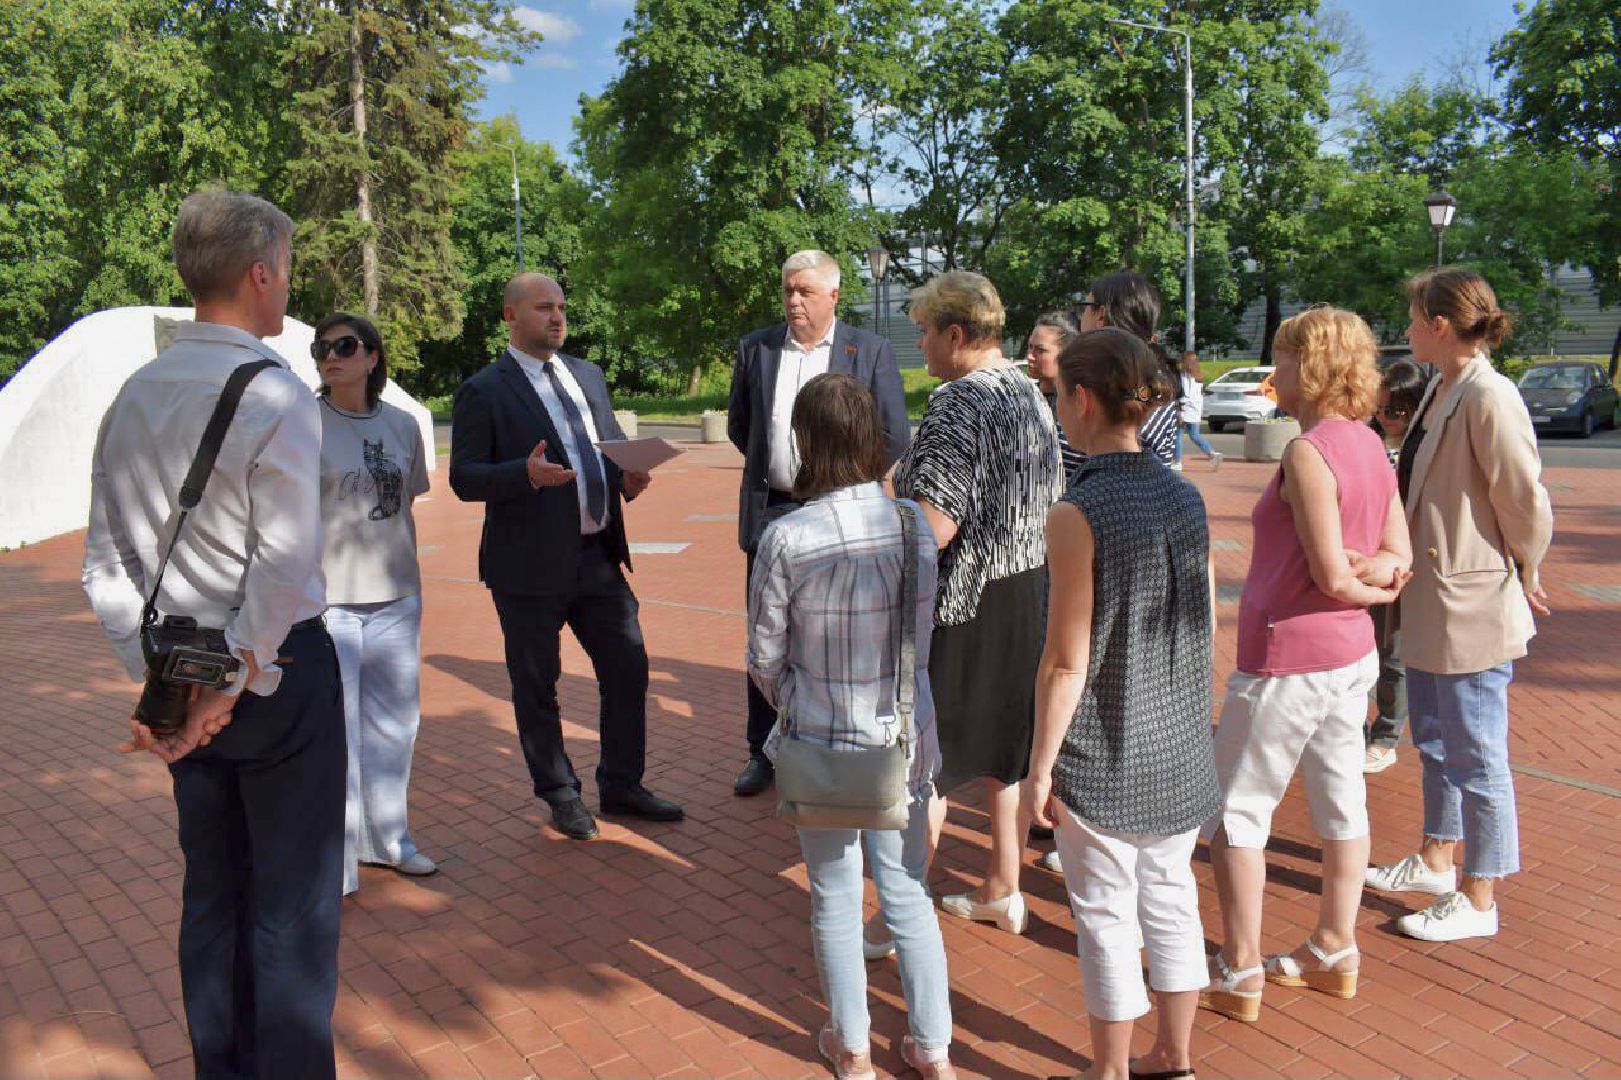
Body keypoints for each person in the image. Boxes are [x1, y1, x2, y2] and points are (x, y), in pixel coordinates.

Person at [82, 190, 344, 1078]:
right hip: (276, 675)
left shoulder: (134, 393)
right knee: (293, 910)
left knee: (214, 897)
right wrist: (230, 683)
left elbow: (105, 560)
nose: (288, 294)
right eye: (287, 275)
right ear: (260, 275)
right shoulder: (278, 395)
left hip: (179, 671)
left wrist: (166, 686)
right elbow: (281, 567)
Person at [1201, 307, 1412, 1024]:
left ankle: (1238, 966)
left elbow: (1327, 575)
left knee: (1236, 816)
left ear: (1311, 366)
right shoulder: (1368, 445)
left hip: (1288, 654)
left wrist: (1367, 581)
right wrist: (1382, 578)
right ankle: (1332, 946)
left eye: (1282, 358)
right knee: (1340, 803)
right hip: (1349, 655)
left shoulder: (1309, 450)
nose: (1274, 372)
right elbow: (1397, 555)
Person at [1022, 328, 1221, 1080]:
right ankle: (1173, 1058)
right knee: (1170, 900)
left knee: (1104, 917)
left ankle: (1107, 1070)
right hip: (1175, 742)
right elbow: (1198, 621)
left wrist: (1039, 767)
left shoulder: (1078, 512)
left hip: (1104, 751)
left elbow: (1065, 660)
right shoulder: (1185, 495)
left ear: (1080, 398)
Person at [748, 373, 957, 1080]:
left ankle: (853, 1049)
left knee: (834, 900)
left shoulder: (787, 537)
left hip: (821, 744)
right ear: (871, 439)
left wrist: (800, 703)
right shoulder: (915, 529)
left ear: (803, 441)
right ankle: (932, 1049)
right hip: (902, 740)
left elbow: (763, 657)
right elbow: (923, 638)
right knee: (907, 898)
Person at [448, 272, 682, 842]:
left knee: (628, 669)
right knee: (536, 683)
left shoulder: (586, 375)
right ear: (509, 315)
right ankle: (559, 794)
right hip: (527, 566)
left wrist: (624, 477)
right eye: (542, 308)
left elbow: (600, 446)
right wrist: (521, 474)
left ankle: (623, 784)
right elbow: (463, 478)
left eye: (560, 308)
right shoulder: (485, 389)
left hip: (598, 555)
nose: (556, 317)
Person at [1364, 269, 1552, 942]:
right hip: (1437, 595)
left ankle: (1479, 895)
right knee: (1438, 739)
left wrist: (1524, 567)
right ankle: (1437, 859)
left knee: (1476, 750)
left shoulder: (1488, 394)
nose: (1407, 328)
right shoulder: (1445, 386)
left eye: (1414, 317)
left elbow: (1522, 497)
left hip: (1469, 598)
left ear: (1440, 324)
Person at [890, 270, 1062, 938]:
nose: (920, 346)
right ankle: (1002, 886)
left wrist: (878, 522)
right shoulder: (1027, 390)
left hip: (967, 600)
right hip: (1027, 591)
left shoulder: (959, 401)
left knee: (926, 767)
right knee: (1006, 756)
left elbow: (932, 524)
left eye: (924, 332)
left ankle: (899, 916)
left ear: (955, 334)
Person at [728, 250, 910, 798]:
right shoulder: (756, 348)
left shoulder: (869, 350)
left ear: (833, 295)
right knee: (769, 629)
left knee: (841, 626)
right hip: (775, 510)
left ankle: (845, 738)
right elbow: (743, 428)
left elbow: (894, 432)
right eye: (787, 289)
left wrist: (847, 481)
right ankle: (765, 748)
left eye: (805, 291)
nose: (793, 300)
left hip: (843, 509)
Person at [312, 313, 435, 891]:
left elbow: (407, 496)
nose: (330, 356)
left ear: (372, 357)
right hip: (328, 604)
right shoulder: (303, 423)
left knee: (395, 726)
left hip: (396, 597)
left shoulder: (404, 425)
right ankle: (337, 862)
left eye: (343, 346)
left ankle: (390, 840)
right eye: (321, 348)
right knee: (335, 732)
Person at [1363, 359, 1429, 773]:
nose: (1386, 418)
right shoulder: (1367, 442)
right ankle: (1354, 729)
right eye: (1381, 409)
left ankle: (1386, 735)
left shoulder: (1421, 448)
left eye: (1397, 411)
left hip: (1405, 562)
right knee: (1363, 649)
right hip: (1366, 557)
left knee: (1394, 653)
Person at [1075, 272, 1182, 466]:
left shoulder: (1097, 383)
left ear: (1100, 314)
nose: (1080, 317)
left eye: (1084, 308)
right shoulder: (1157, 383)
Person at [1024, 309, 1086, 483]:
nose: (1030, 356)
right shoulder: (1024, 396)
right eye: (1030, 347)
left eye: (1040, 350)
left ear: (1066, 353)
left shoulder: (1081, 404)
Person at [1175, 351, 1223, 471]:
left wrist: (1180, 410)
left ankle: (1177, 461)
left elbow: (1184, 394)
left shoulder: (1183, 376)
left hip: (1185, 409)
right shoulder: (1199, 376)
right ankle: (1212, 454)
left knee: (1177, 436)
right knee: (1194, 435)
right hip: (1196, 410)